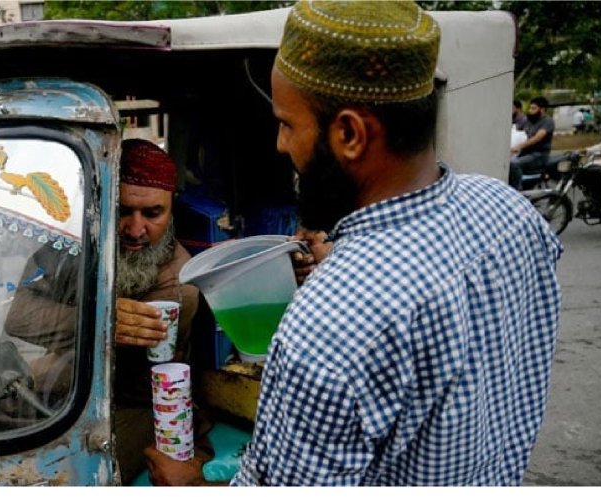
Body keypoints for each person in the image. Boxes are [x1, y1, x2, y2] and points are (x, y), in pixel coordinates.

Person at [146, 0, 562, 486]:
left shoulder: (332, 319)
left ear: (349, 133)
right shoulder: (507, 211)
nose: (281, 145)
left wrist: (191, 486)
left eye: (286, 124)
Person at [5, 138, 212, 484]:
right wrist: (101, 321)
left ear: (171, 207)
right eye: (122, 210)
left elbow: (118, 368)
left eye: (152, 213)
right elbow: (17, 315)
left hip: (134, 405)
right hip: (63, 388)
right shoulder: (73, 244)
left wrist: (95, 327)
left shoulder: (180, 285)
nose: (134, 230)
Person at [509, 96, 555, 190]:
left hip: (539, 155)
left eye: (533, 108)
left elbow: (537, 138)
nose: (530, 110)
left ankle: (516, 191)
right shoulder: (530, 121)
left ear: (542, 109)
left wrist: (519, 146)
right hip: (525, 153)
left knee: (513, 163)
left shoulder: (548, 121)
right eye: (530, 108)